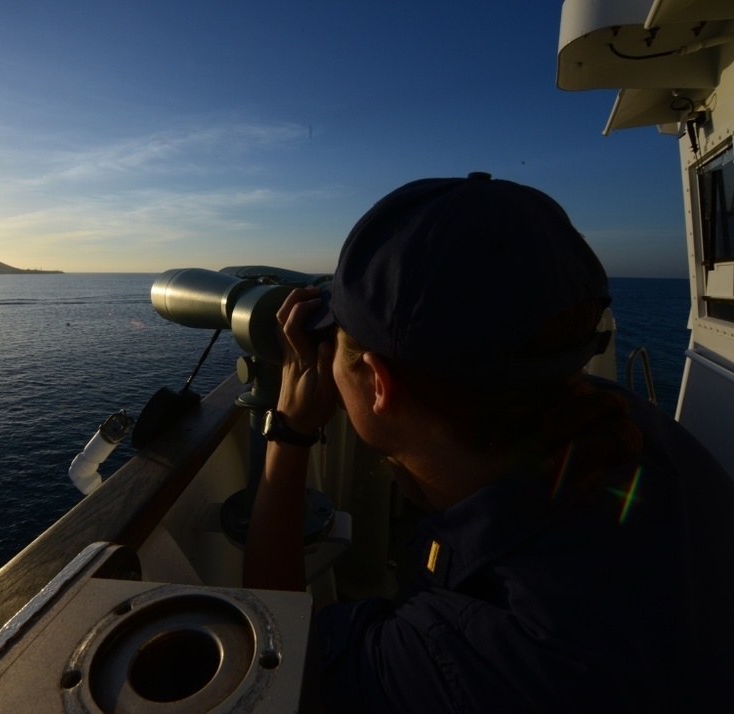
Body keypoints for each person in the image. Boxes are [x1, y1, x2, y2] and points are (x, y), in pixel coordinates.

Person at [242, 173, 734, 712]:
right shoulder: (634, 426)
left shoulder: (467, 662)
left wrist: (288, 432)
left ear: (380, 383)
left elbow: (271, 663)